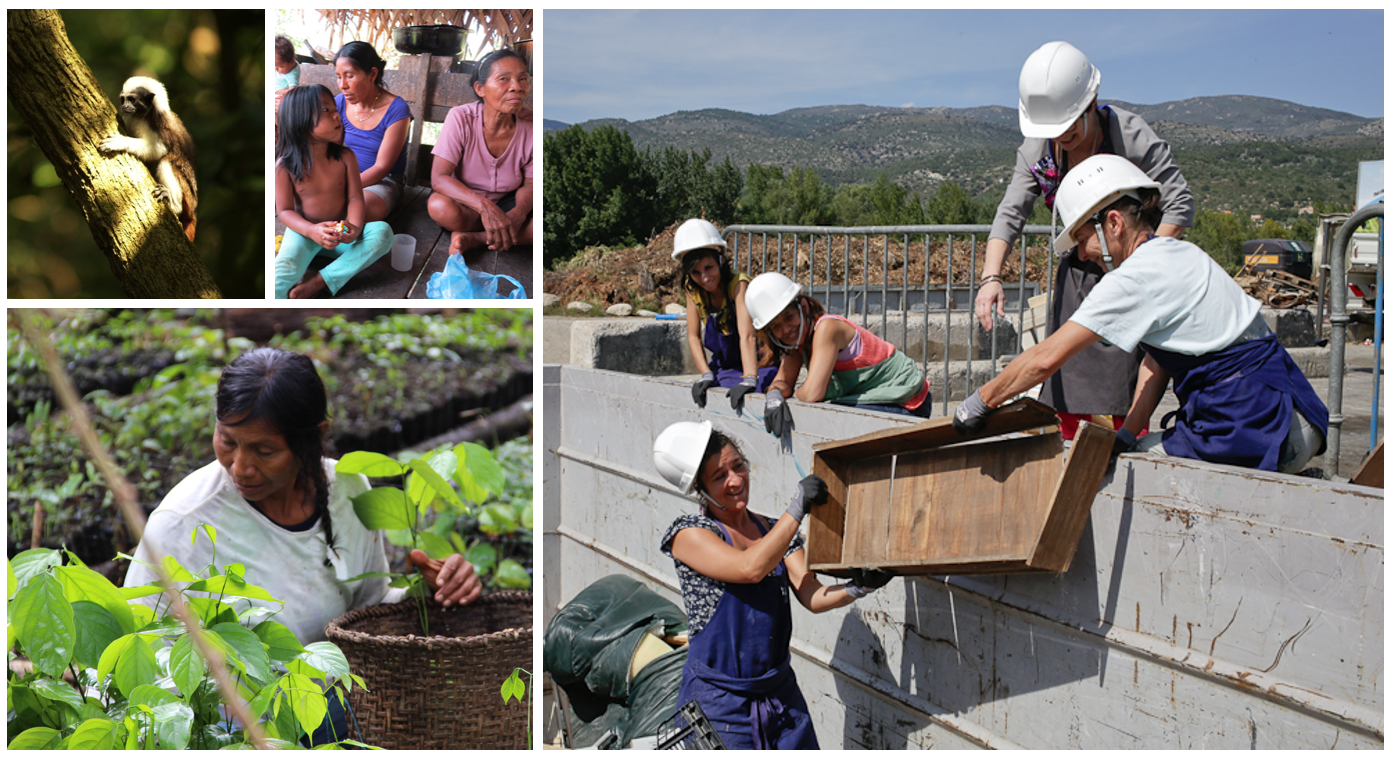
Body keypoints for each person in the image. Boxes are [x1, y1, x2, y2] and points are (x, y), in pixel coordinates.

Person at [955, 155, 1327, 474]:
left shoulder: (1133, 278)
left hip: (1256, 430)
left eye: (1082, 238)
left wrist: (979, 402)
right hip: (1294, 415)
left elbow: (1045, 358)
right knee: (1129, 451)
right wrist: (1127, 434)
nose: (1081, 254)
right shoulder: (1180, 252)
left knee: (1122, 473)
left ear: (1114, 223)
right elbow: (1157, 360)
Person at [974, 41, 1195, 440]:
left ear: (1091, 103)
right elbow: (1010, 213)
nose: (1062, 137)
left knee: (1121, 385)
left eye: (1070, 126)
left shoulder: (1129, 135)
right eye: (1052, 130)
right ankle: (1069, 447)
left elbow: (1179, 203)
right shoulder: (1037, 150)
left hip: (1133, 269)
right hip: (1078, 272)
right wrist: (991, 277)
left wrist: (1144, 265)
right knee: (1065, 377)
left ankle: (1120, 448)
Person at [653, 420, 892, 749]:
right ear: (700, 488)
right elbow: (749, 568)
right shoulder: (689, 533)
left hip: (780, 695)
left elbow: (812, 594)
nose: (736, 480)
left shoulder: (772, 530)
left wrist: (859, 587)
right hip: (720, 704)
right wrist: (797, 508)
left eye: (738, 466)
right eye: (719, 476)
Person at [745, 272, 932, 438]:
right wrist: (774, 395)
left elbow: (812, 394)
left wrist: (794, 396)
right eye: (776, 326)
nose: (786, 329)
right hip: (880, 400)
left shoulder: (827, 328)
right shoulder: (796, 342)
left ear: (803, 306)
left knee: (826, 417)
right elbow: (782, 382)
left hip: (906, 401)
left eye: (789, 317)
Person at [274, 85, 394, 299]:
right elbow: (284, 211)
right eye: (326, 110)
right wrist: (311, 230)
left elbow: (355, 197)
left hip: (340, 235)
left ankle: (321, 281)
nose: (337, 115)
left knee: (382, 233)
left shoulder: (346, 157)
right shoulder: (285, 166)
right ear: (300, 121)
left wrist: (354, 228)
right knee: (279, 279)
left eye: (335, 109)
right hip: (304, 235)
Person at [428, 48, 533, 255]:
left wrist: (519, 214)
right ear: (480, 88)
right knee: (439, 206)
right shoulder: (461, 117)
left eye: (523, 79)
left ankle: (476, 238)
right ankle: (501, 232)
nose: (517, 87)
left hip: (508, 204)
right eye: (504, 79)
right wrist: (487, 208)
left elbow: (531, 184)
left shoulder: (532, 125)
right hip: (465, 203)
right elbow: (439, 178)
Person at [674, 219, 779, 412]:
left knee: (759, 390)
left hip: (759, 361)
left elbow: (747, 335)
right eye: (696, 272)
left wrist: (750, 379)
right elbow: (694, 336)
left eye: (709, 267)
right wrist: (705, 373)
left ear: (721, 260)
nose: (705, 278)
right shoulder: (692, 288)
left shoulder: (738, 284)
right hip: (726, 364)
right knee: (713, 389)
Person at [334, 41, 411, 224]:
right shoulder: (340, 102)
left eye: (350, 76)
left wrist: (343, 188)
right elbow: (331, 149)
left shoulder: (397, 110)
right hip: (343, 176)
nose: (342, 85)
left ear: (372, 74)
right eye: (338, 77)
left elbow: (382, 167)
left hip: (383, 182)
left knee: (361, 209)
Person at [273, 35, 300, 132]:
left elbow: (293, 91)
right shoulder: (285, 66)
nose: (275, 68)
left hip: (280, 98)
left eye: (279, 66)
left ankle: (284, 130)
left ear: (292, 62)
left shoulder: (291, 74)